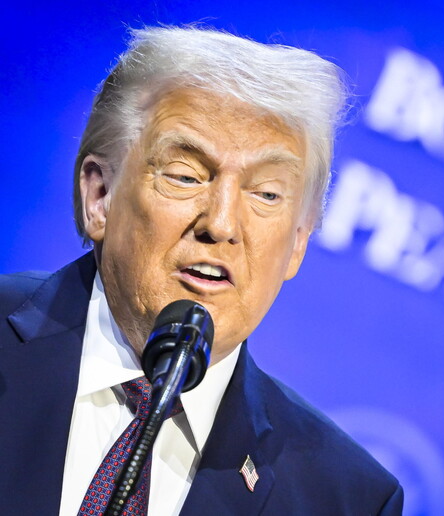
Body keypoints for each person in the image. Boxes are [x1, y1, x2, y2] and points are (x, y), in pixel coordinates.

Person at [0, 26, 403, 515]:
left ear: (299, 241)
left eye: (267, 194)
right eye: (186, 176)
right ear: (100, 196)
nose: (222, 224)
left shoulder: (345, 499)